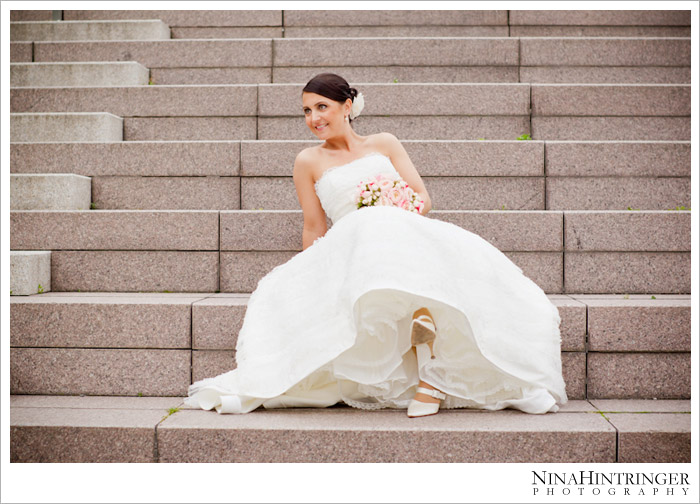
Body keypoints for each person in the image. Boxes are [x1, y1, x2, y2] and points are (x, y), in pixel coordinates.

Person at [185, 73, 568, 417]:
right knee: (369, 227)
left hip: (401, 233)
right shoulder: (307, 161)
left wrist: (392, 205)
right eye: (305, 111)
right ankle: (427, 365)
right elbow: (314, 225)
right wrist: (311, 274)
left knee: (387, 226)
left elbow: (423, 198)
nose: (313, 118)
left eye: (322, 107)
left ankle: (430, 362)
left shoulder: (384, 143)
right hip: (352, 247)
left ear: (347, 106)